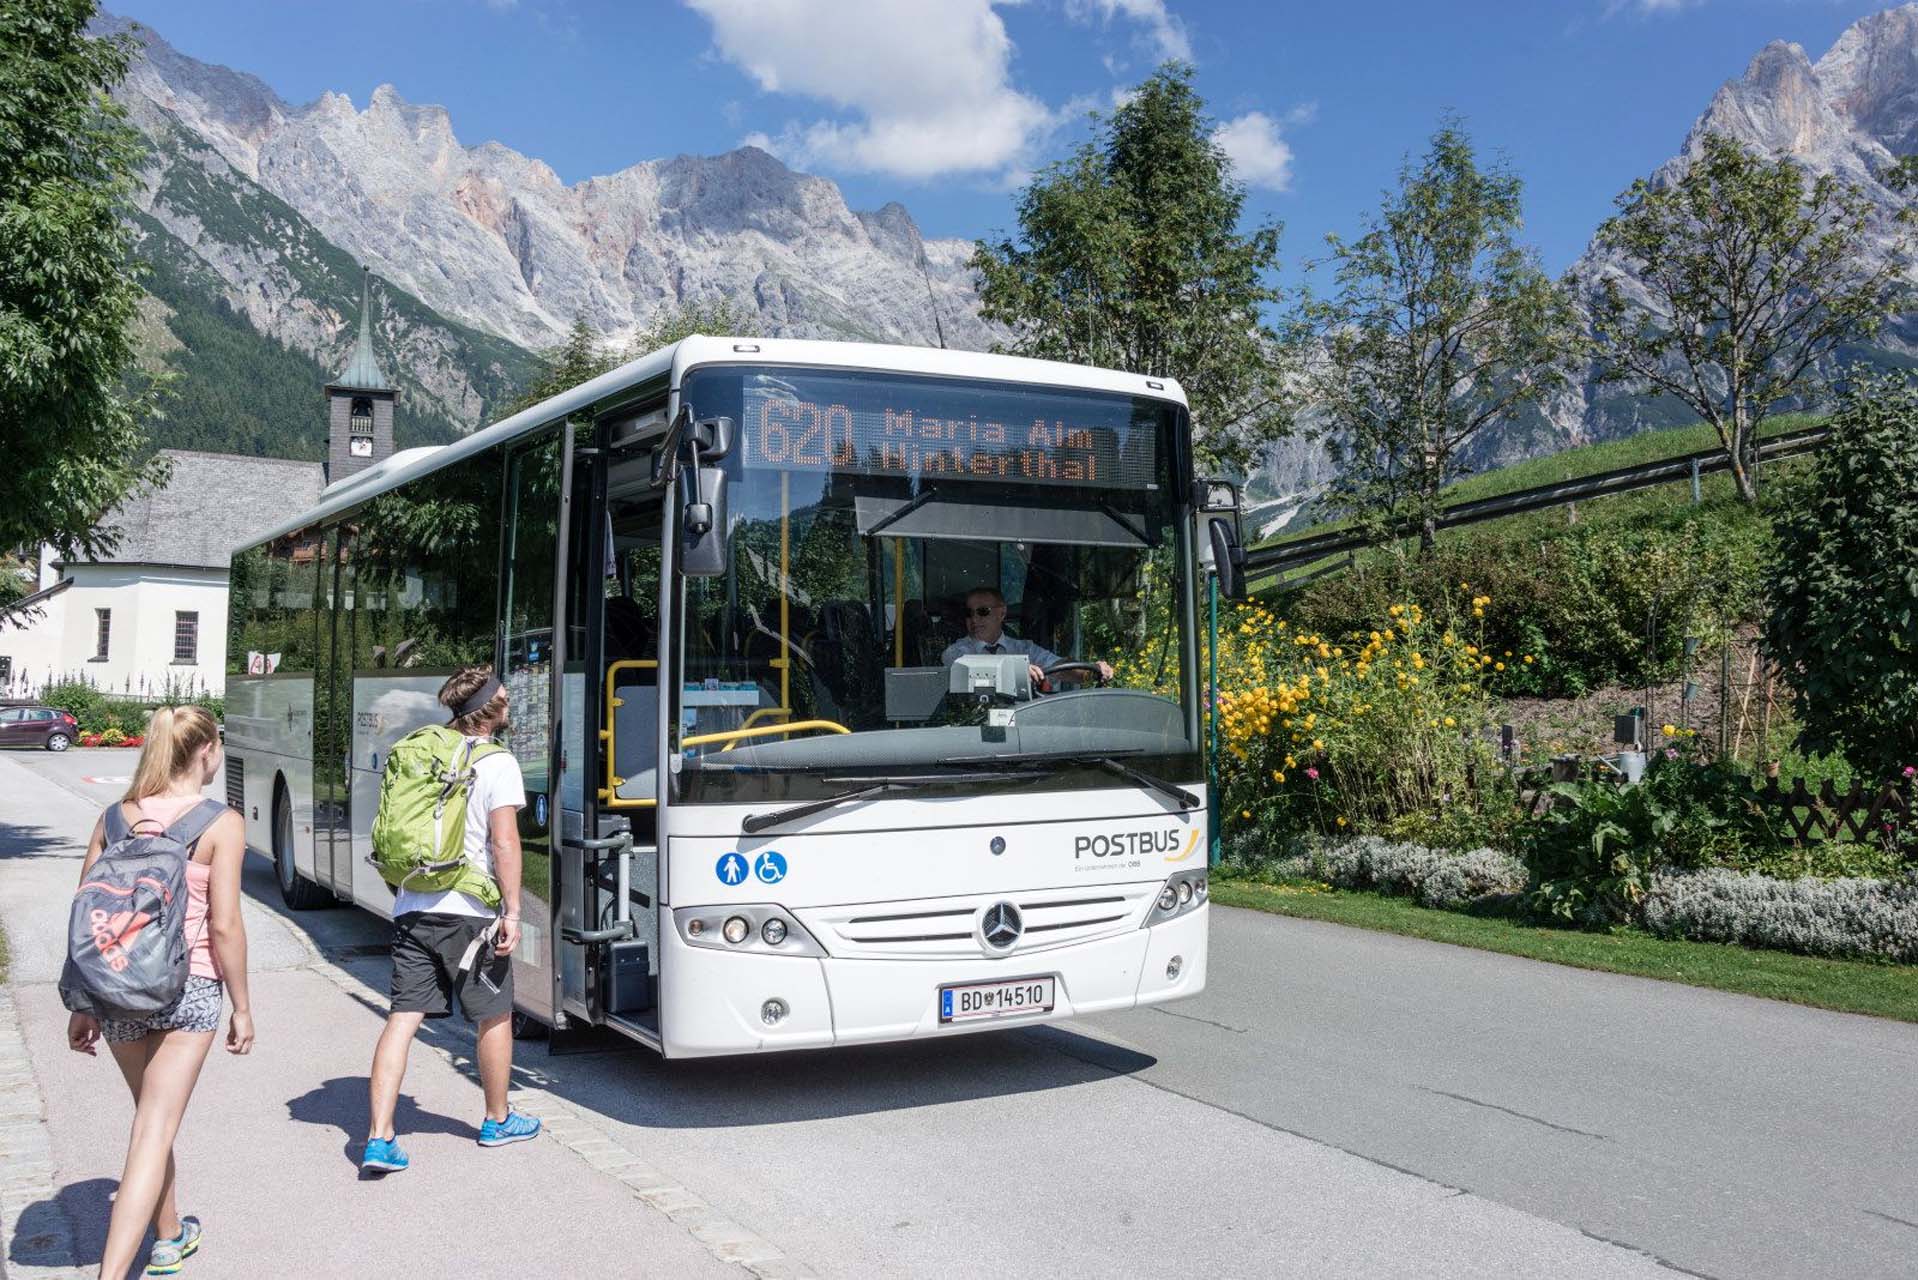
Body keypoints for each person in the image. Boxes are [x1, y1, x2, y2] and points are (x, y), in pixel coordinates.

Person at [66, 706, 253, 1279]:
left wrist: (81, 1002)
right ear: (204, 752)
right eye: (217, 745)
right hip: (188, 987)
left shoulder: (114, 818)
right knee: (153, 1128)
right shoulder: (219, 822)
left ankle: (169, 1235)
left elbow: (86, 912)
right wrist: (242, 1006)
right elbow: (224, 926)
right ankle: (114, 1272)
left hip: (116, 986)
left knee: (153, 1117)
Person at [362, 666, 540, 1174]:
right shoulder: (497, 762)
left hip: (414, 902)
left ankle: (378, 1137)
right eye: (505, 697)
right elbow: (504, 842)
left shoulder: (422, 749)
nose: (509, 702)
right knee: (493, 1013)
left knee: (402, 1018)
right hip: (471, 909)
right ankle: (497, 1118)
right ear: (492, 709)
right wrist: (512, 910)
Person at [940, 586, 1114, 690]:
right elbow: (962, 668)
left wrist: (1091, 671)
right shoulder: (956, 652)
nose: (975, 619)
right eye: (969, 613)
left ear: (1002, 613)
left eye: (983, 612)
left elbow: (1058, 666)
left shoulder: (1024, 649)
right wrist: (1015, 671)